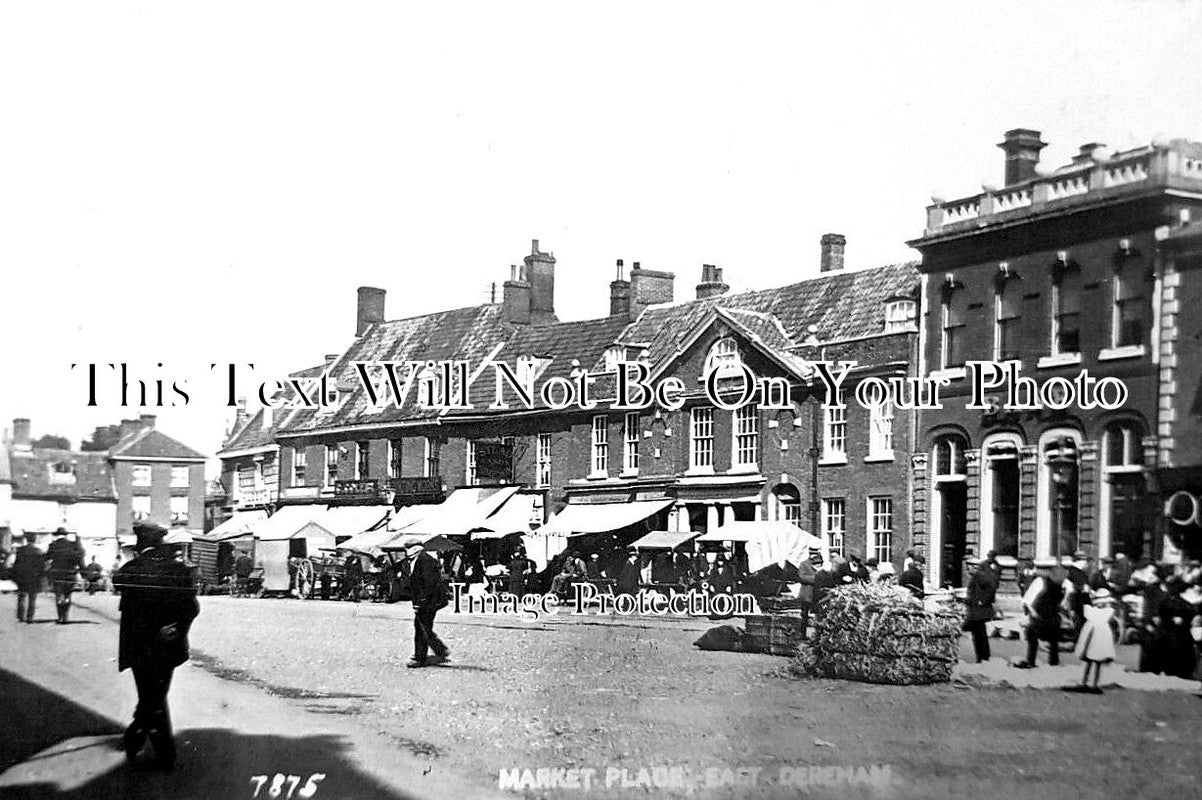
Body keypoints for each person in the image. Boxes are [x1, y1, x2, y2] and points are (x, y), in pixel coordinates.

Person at [113, 522, 199, 770]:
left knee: (150, 696)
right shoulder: (179, 570)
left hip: (139, 646)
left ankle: (142, 741)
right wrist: (175, 627)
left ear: (140, 544)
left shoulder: (131, 569)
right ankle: (157, 750)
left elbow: (118, 582)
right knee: (156, 695)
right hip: (168, 644)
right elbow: (192, 608)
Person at [404, 542, 450, 668]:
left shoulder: (425, 561)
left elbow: (429, 584)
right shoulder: (418, 560)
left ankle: (422, 657)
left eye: (408, 549)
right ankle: (438, 650)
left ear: (415, 549)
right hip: (428, 600)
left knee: (421, 627)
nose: (407, 552)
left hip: (430, 601)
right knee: (423, 625)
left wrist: (421, 602)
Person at [1014, 558, 1065, 669]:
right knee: (1046, 639)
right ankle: (1046, 662)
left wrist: (1033, 612)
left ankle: (1038, 662)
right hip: (1046, 615)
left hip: (1045, 615)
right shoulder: (1050, 583)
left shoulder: (1047, 583)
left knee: (1040, 639)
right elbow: (1027, 600)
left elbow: (1028, 600)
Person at [1068, 587, 1118, 693]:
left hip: (1093, 637)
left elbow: (1088, 612)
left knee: (1092, 661)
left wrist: (1086, 597)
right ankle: (1091, 683)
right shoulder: (1108, 611)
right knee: (1094, 662)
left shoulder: (1099, 611)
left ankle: (1088, 683)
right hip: (1100, 636)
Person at [45, 527, 85, 624]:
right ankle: (66, 616)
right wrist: (84, 574)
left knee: (59, 595)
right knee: (68, 595)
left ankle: (60, 617)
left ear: (57, 535)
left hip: (57, 574)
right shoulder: (73, 545)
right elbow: (79, 560)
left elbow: (47, 558)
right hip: (70, 574)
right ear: (66, 535)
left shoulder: (53, 545)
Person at [963, 556, 998, 663]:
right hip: (976, 610)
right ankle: (983, 657)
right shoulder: (978, 575)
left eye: (968, 567)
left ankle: (982, 657)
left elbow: (991, 588)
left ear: (973, 567)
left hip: (979, 611)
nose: (967, 570)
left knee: (979, 635)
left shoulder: (980, 576)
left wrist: (983, 601)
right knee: (979, 634)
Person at [13, 534, 46, 624]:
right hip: (34, 577)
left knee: (21, 597)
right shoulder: (38, 551)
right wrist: (41, 577)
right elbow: (42, 567)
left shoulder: (20, 551)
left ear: (26, 539)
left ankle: (20, 616)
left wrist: (15, 577)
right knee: (32, 598)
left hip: (22, 577)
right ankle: (30, 617)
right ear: (35, 540)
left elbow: (16, 565)